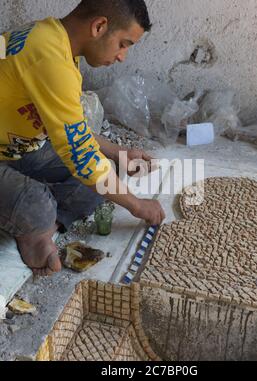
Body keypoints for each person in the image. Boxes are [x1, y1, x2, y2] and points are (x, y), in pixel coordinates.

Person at [0, 0, 165, 277]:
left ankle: (40, 225)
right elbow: (81, 155)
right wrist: (137, 205)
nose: (122, 56)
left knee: (103, 175)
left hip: (15, 148)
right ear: (99, 26)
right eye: (123, 44)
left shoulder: (53, 39)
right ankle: (35, 227)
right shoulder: (49, 60)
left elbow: (70, 128)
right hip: (9, 152)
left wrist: (117, 151)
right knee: (39, 205)